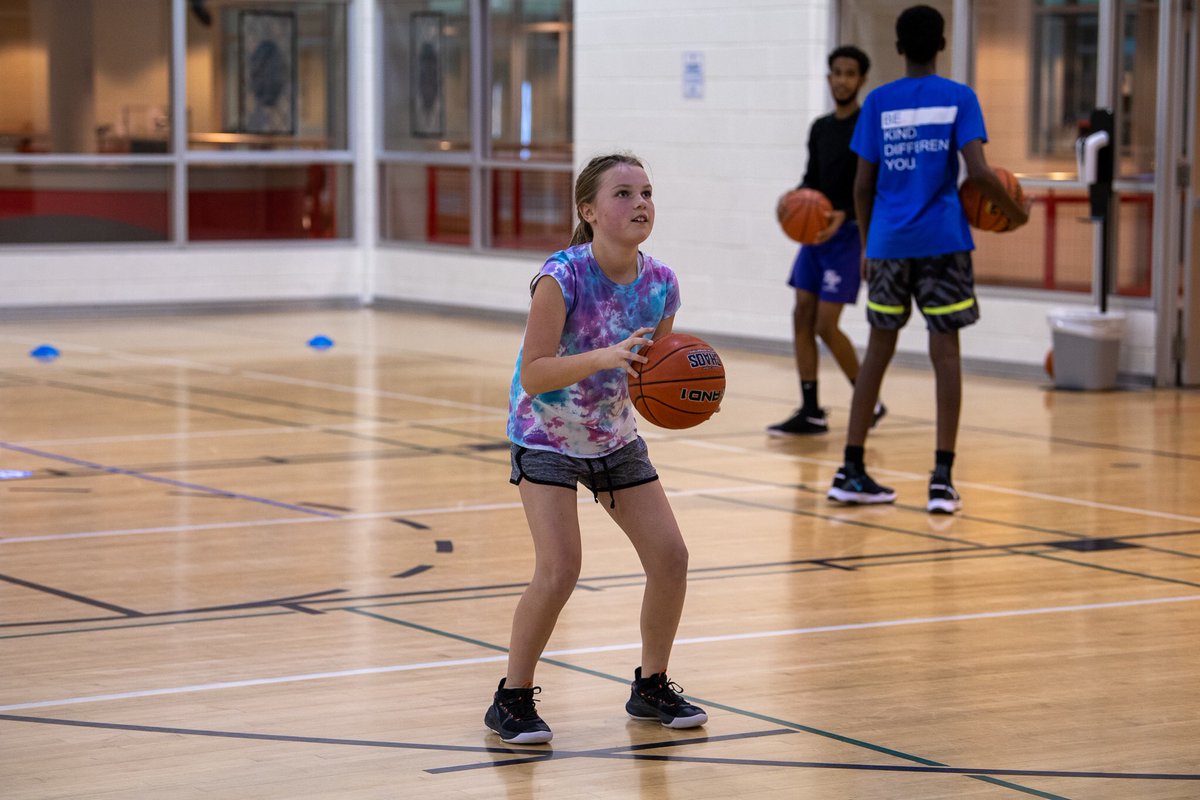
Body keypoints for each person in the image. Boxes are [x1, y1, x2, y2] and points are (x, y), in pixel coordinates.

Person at [485, 153, 708, 744]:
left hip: (614, 435)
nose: (640, 203)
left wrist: (686, 389)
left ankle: (651, 684)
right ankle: (510, 698)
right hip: (546, 433)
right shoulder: (562, 277)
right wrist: (606, 356)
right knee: (560, 569)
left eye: (647, 192)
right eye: (624, 193)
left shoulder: (662, 283)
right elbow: (533, 374)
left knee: (671, 557)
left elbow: (652, 371)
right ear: (588, 210)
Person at [827, 5, 1029, 514]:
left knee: (877, 353)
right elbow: (980, 173)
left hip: (890, 245)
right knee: (946, 357)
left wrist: (871, 246)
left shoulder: (878, 102)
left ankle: (850, 469)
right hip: (942, 245)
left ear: (898, 48)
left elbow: (862, 186)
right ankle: (941, 479)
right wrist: (1014, 212)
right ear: (941, 44)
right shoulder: (960, 98)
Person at [770, 45, 888, 437]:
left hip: (850, 234)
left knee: (825, 323)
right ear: (828, 77)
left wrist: (848, 217)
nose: (842, 80)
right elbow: (813, 180)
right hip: (817, 235)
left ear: (862, 80)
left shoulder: (868, 127)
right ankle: (811, 409)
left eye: (850, 73)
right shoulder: (821, 128)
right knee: (801, 313)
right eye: (836, 72)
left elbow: (874, 187)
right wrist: (792, 202)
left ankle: (868, 400)